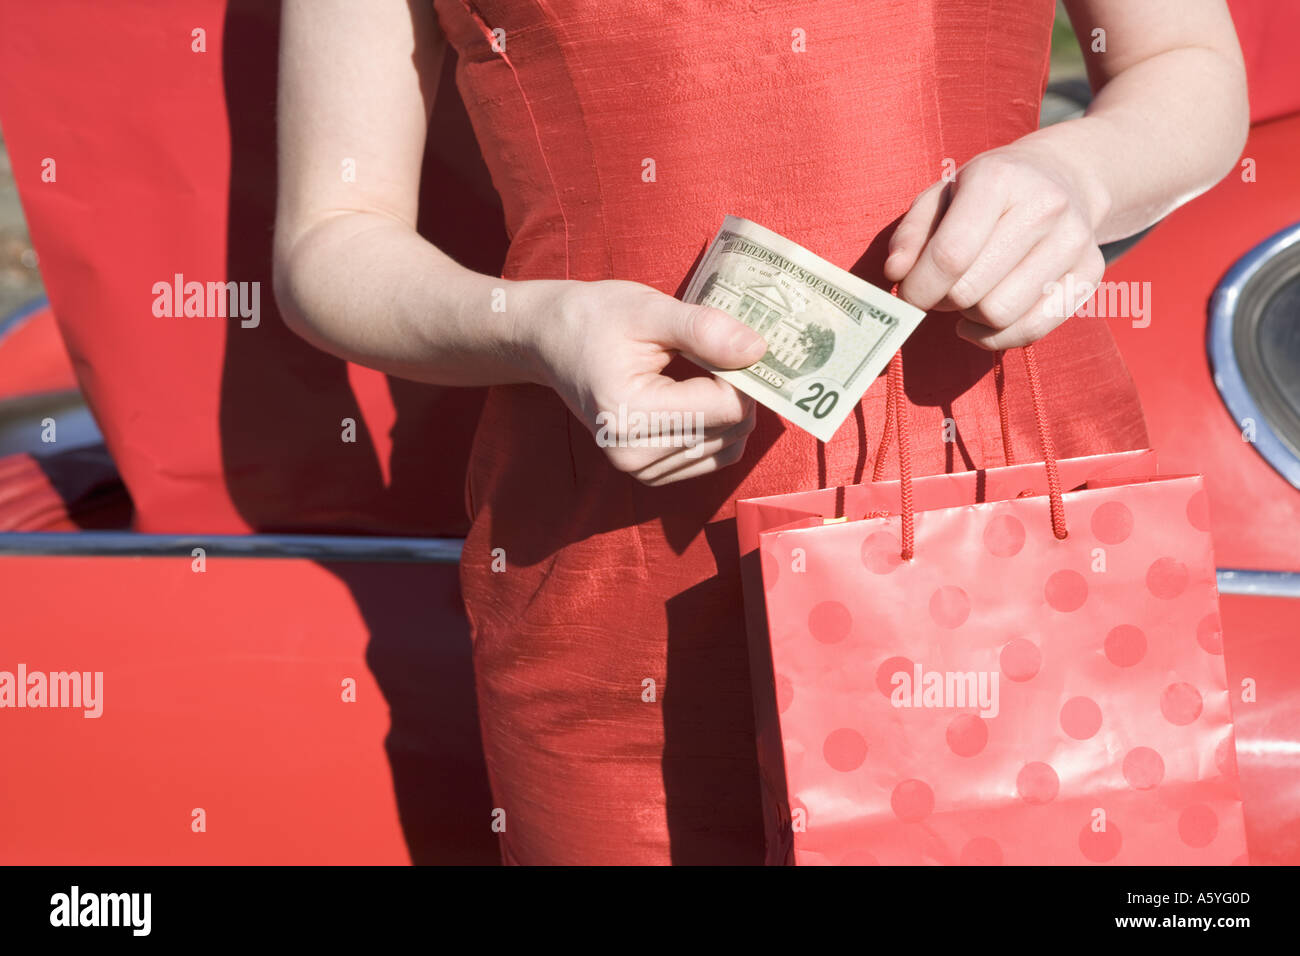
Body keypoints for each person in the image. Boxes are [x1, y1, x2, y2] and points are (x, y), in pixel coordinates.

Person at [273, 0, 1248, 864]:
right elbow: (331, 236)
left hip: (1007, 511)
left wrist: (1075, 174)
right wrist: (530, 325)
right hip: (615, 554)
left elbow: (1184, 65)